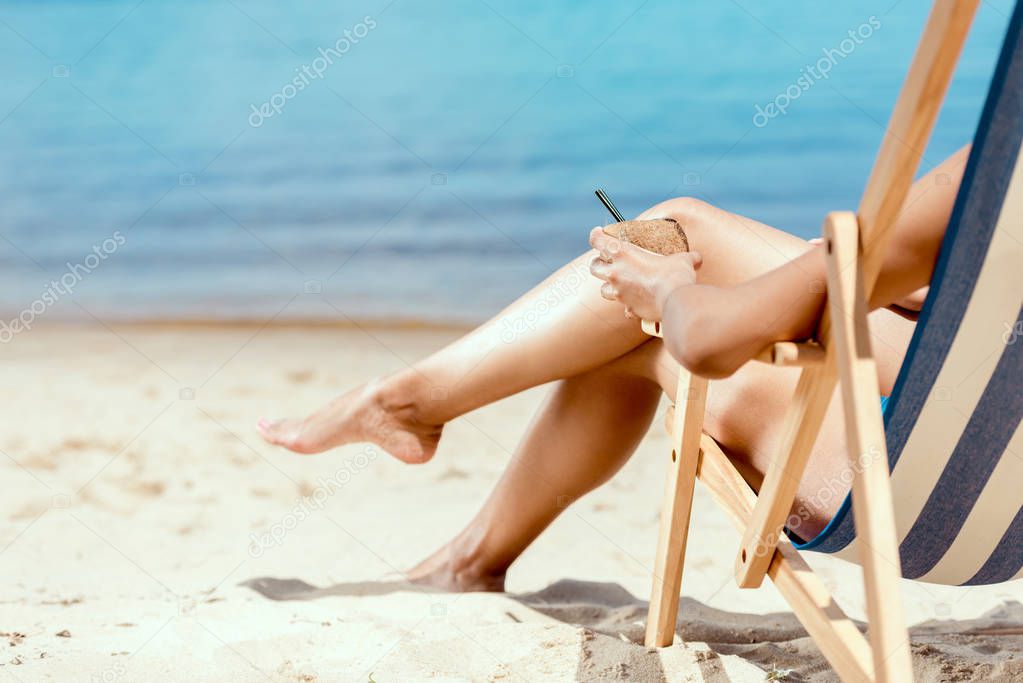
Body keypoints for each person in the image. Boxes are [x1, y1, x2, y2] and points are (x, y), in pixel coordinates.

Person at [257, 145, 970, 592]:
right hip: (1001, 513)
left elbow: (711, 345)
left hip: (909, 502)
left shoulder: (999, 170)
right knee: (678, 261)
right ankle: (461, 542)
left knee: (670, 255)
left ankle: (413, 417)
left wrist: (669, 291)